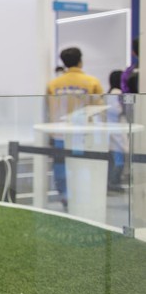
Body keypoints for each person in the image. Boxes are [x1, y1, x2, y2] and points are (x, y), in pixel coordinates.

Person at [46, 47, 104, 209]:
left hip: (59, 133)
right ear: (80, 61)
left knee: (60, 166)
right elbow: (99, 108)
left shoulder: (53, 84)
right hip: (83, 134)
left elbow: (47, 108)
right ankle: (83, 197)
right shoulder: (92, 83)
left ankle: (65, 196)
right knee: (84, 165)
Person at [106, 70, 128, 191]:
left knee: (115, 158)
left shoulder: (111, 93)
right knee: (118, 159)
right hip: (116, 130)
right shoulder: (117, 93)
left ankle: (113, 182)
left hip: (114, 130)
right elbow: (117, 110)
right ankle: (113, 184)